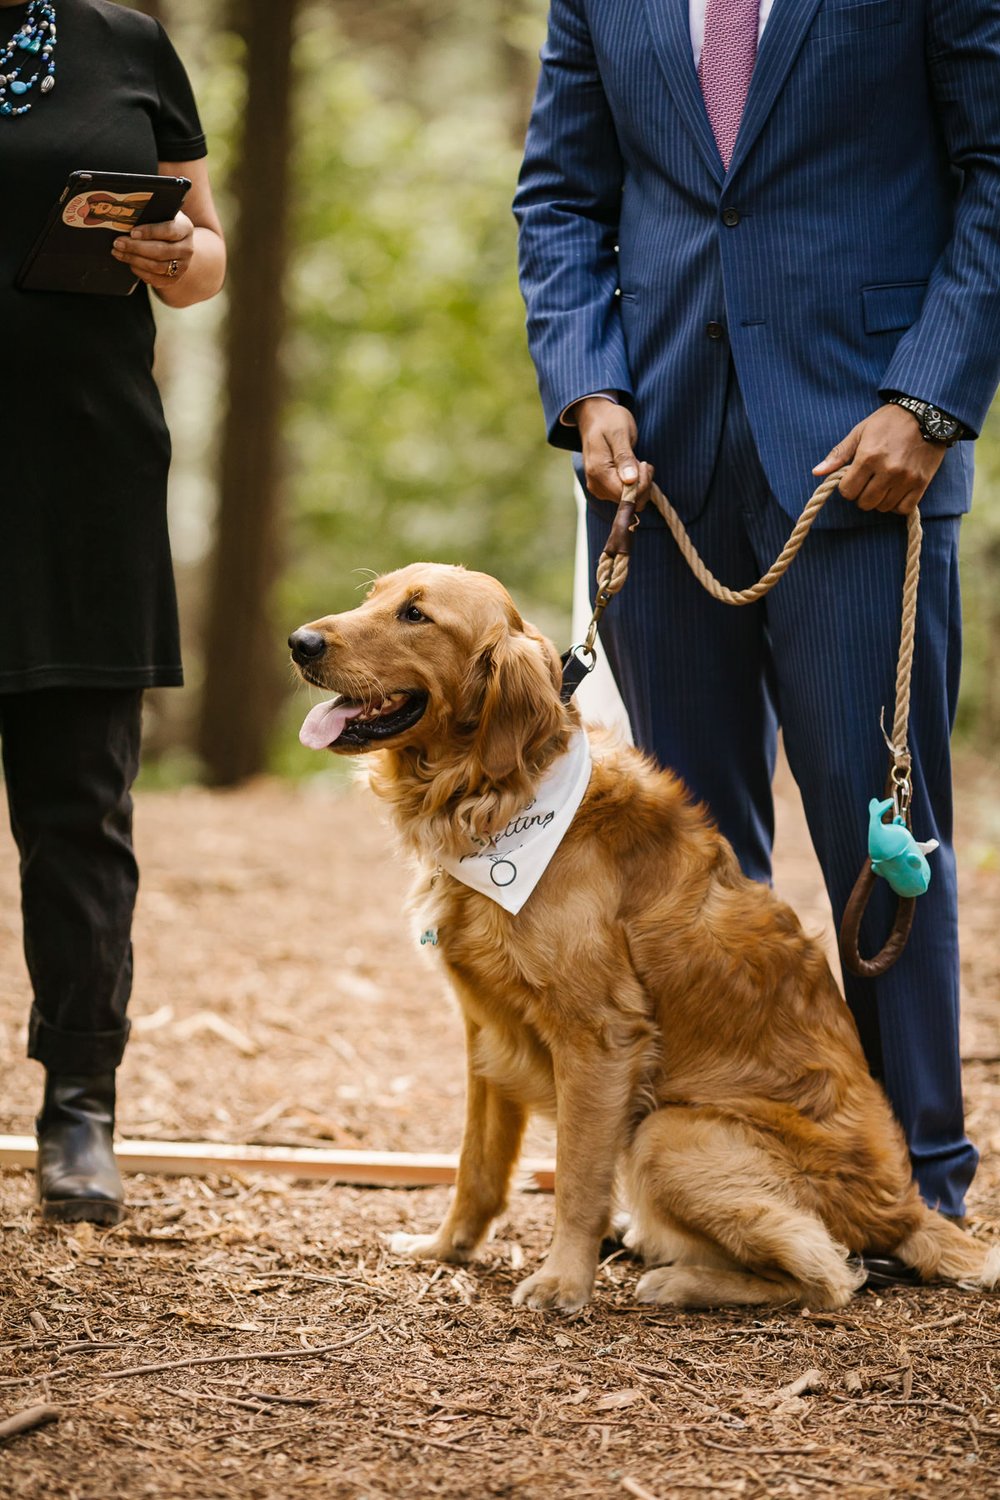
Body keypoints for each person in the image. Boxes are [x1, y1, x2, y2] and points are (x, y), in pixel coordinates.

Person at [514, 0, 1000, 1241]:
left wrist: (929, 404)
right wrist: (585, 385)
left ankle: (912, 1187)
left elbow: (991, 173)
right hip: (652, 470)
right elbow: (560, 200)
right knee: (682, 866)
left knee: (878, 839)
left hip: (867, 456)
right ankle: (714, 1182)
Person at [0, 0, 225, 1223]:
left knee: (79, 812)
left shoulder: (124, 42)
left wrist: (177, 259)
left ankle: (80, 1106)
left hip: (82, 476)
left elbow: (205, 253)